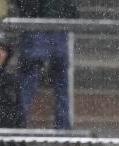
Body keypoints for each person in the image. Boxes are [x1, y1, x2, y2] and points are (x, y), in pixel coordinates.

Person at [15, 0, 78, 129]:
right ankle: (63, 127)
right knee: (60, 81)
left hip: (37, 24)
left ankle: (18, 124)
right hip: (56, 25)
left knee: (28, 81)